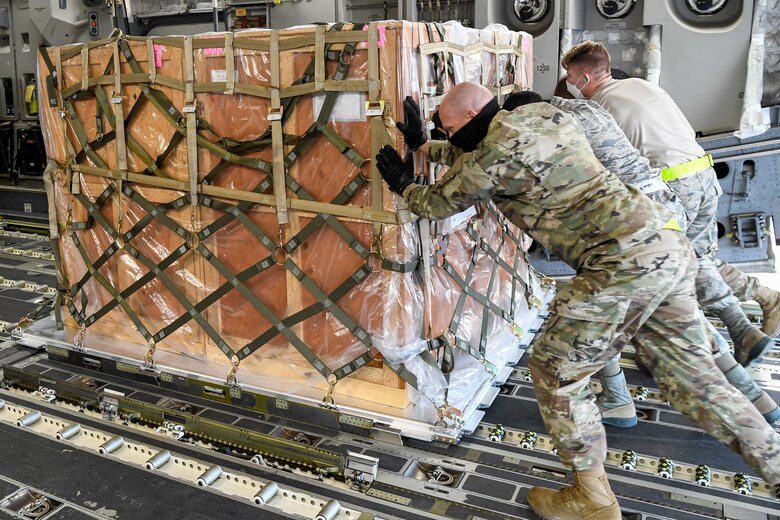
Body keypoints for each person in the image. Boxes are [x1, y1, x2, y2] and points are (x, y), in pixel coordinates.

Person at [377, 82, 780, 520]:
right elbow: (479, 158)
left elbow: (437, 202)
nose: (447, 132)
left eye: (449, 126)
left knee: (555, 368)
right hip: (663, 246)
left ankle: (592, 497)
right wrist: (427, 144)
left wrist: (404, 184)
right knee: (699, 383)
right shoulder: (543, 118)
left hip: (620, 266)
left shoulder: (493, 157)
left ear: (472, 120)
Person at [503, 87, 780, 426]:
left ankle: (621, 398)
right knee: (676, 309)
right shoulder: (587, 108)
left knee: (601, 310)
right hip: (663, 208)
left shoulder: (556, 126)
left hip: (632, 229)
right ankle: (756, 391)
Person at [560, 41, 780, 368]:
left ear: (583, 77)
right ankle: (756, 312)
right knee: (698, 259)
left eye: (569, 77)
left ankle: (725, 339)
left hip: (673, 185)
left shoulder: (601, 108)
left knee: (669, 263)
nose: (569, 84)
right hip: (703, 174)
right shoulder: (642, 86)